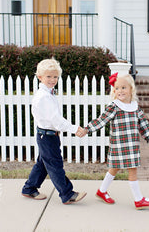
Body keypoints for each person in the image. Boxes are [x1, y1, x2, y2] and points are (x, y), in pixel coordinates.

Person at [79, 73, 149, 210]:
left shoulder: (135, 106)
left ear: (131, 89)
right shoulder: (114, 106)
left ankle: (102, 191)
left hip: (132, 145)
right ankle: (139, 200)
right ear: (113, 91)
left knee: (114, 168)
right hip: (119, 145)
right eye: (117, 88)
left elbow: (143, 123)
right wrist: (87, 129)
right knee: (131, 170)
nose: (120, 91)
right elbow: (101, 120)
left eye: (123, 87)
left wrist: (148, 137)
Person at [21, 58, 87, 204]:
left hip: (47, 135)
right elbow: (55, 119)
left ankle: (29, 188)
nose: (52, 80)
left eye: (55, 76)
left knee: (43, 164)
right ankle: (67, 194)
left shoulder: (48, 93)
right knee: (55, 165)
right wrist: (74, 129)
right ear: (40, 77)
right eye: (48, 76)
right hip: (47, 136)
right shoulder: (44, 97)